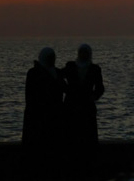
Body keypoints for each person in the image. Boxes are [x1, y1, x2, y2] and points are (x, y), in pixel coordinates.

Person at [22, 47, 65, 177]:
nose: (52, 60)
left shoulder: (57, 72)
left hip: (54, 118)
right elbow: (30, 97)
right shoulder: (34, 73)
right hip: (38, 119)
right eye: (49, 57)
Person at [63, 43, 104, 172]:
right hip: (71, 107)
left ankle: (88, 164)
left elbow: (100, 87)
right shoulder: (70, 66)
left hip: (87, 108)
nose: (83, 55)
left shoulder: (95, 69)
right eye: (81, 52)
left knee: (88, 137)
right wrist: (67, 91)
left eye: (85, 52)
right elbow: (58, 78)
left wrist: (94, 96)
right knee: (72, 136)